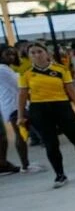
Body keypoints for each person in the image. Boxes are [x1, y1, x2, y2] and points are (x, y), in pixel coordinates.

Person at [17, 43, 75, 188]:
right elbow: (22, 94)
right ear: (29, 56)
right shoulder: (25, 73)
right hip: (39, 110)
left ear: (47, 53)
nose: (36, 55)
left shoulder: (60, 69)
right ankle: (59, 174)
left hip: (61, 106)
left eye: (39, 51)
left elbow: (70, 89)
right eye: (32, 53)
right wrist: (20, 115)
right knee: (51, 144)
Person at [0, 46, 44, 174]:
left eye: (13, 54)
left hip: (15, 104)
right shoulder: (3, 70)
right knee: (21, 135)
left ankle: (26, 164)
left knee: (23, 134)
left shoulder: (6, 69)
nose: (12, 57)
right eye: (8, 54)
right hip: (15, 105)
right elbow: (21, 84)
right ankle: (25, 166)